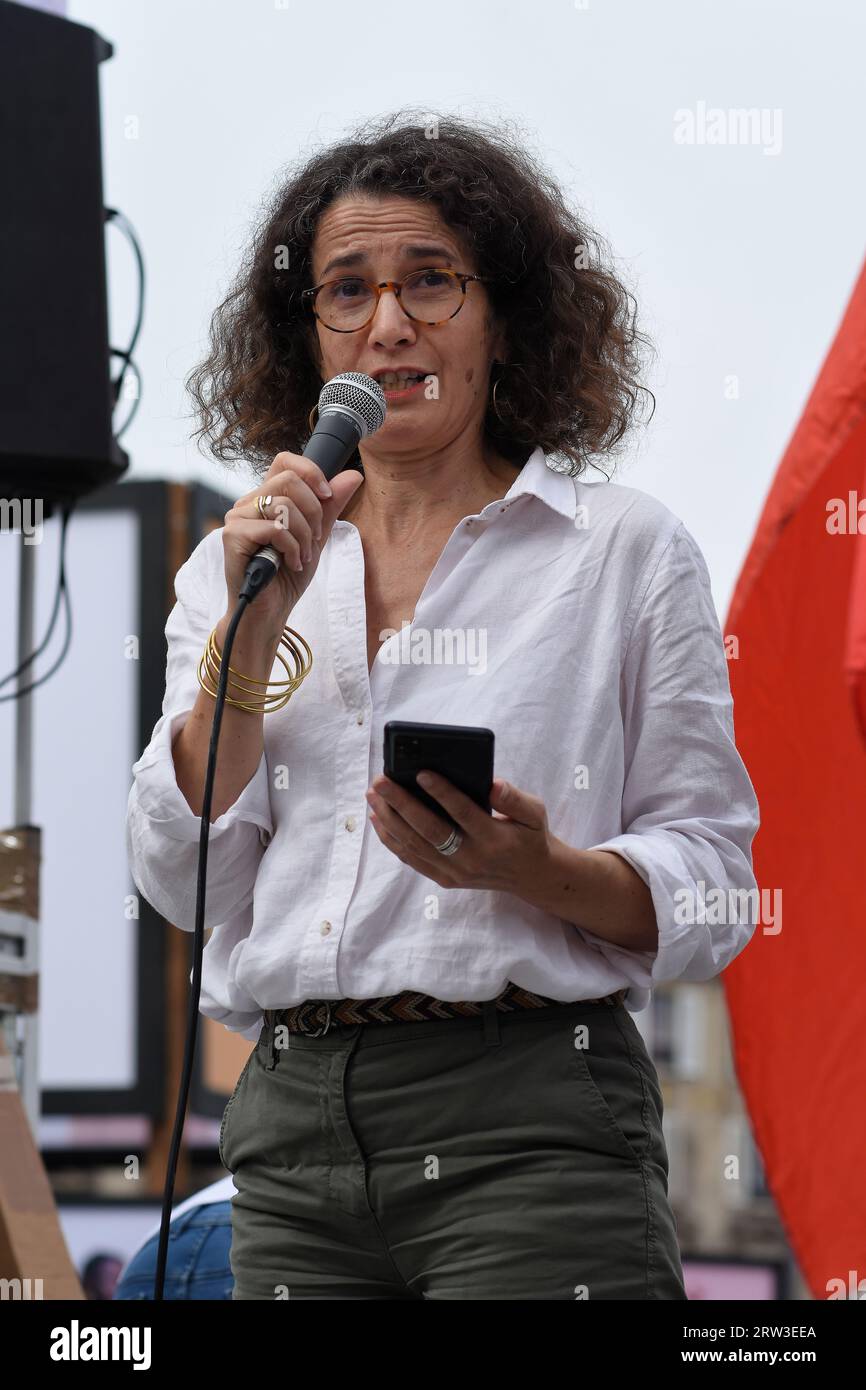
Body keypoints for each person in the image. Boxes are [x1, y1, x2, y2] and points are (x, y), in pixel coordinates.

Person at [126, 111, 760, 1300]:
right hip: (291, 1129)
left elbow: (716, 882)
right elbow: (182, 876)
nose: (388, 324)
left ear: (504, 318)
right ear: (304, 333)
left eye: (431, 280)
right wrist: (253, 626)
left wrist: (538, 868)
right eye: (346, 290)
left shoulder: (621, 551)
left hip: (528, 1116)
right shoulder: (238, 566)